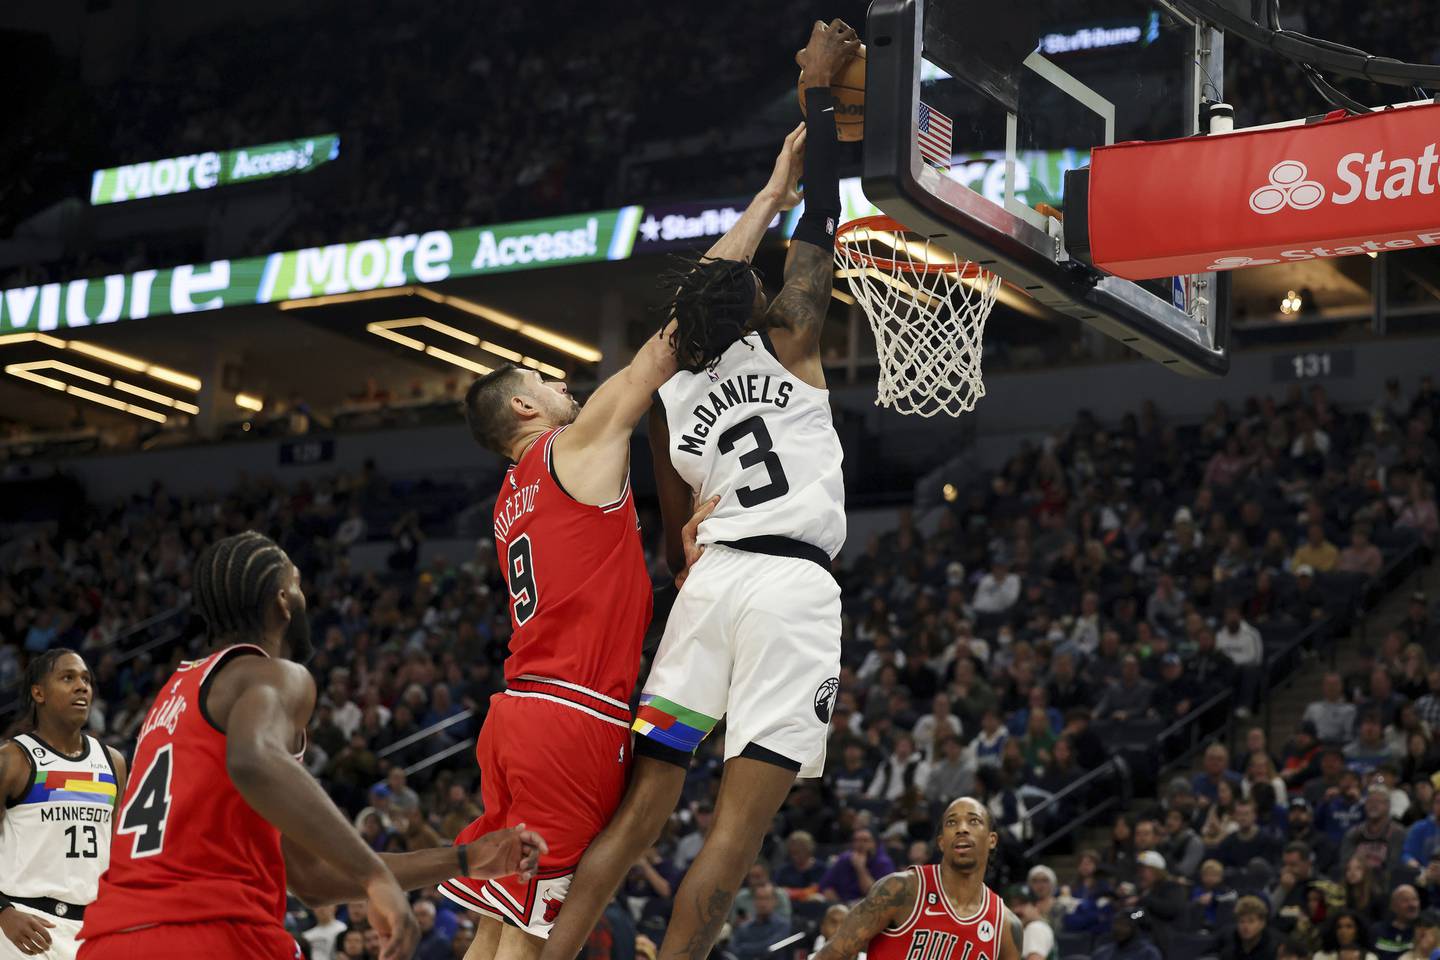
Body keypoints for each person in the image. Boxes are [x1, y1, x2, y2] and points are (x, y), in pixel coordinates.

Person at [537, 23, 859, 960]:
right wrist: (819, 101)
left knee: (643, 811)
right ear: (756, 303)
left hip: (709, 587)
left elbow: (675, 528)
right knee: (734, 834)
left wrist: (804, 113)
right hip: (791, 591)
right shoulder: (794, 336)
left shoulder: (667, 398)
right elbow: (822, 223)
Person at [442, 131, 734, 950]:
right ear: (524, 411)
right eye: (543, 379)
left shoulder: (510, 498)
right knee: (535, 940)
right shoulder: (570, 448)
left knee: (498, 930)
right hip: (571, 715)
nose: (561, 381)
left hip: (518, 715)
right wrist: (771, 200)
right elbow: (662, 350)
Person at [77, 532, 542, 960]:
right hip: (210, 933)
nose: (303, 599)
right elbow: (255, 759)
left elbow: (313, 880)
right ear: (283, 602)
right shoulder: (275, 675)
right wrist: (374, 876)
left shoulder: (175, 693)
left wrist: (463, 859)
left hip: (110, 939)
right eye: (296, 586)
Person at [0, 650, 126, 960]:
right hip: (25, 927)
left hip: (94, 928)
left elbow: (119, 852)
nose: (82, 686)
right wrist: (2, 912)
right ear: (38, 692)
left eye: (86, 679)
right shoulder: (12, 759)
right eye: (68, 678)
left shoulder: (113, 762)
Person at [802, 797, 1021, 960]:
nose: (962, 829)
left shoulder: (1005, 925)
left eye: (973, 821)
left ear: (992, 839)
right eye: (952, 823)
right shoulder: (901, 890)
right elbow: (833, 953)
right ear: (942, 842)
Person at [820, 829, 896, 905]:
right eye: (856, 840)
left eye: (865, 840)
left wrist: (860, 868)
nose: (860, 844)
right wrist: (839, 905)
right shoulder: (844, 859)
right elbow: (826, 885)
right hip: (842, 903)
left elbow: (876, 895)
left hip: (869, 906)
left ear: (874, 843)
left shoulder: (883, 863)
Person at [729, 885, 789, 960]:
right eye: (759, 899)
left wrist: (745, 947)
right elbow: (733, 950)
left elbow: (771, 948)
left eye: (767, 898)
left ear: (775, 901)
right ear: (754, 901)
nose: (763, 903)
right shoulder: (744, 928)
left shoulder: (783, 925)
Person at [1009, 886, 1057, 960]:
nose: (1016, 910)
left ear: (1036, 906)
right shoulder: (1030, 928)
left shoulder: (1036, 928)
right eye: (1014, 905)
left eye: (1022, 904)